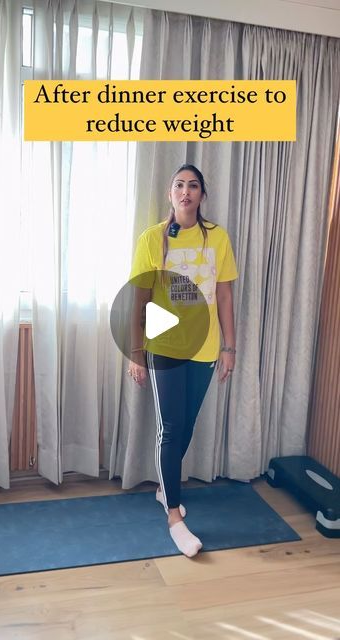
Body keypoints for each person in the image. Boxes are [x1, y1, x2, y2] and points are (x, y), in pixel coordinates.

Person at [128, 164, 238, 557]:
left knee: (186, 424)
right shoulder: (152, 239)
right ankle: (174, 516)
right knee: (171, 428)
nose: (186, 191)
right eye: (179, 185)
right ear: (170, 194)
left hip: (205, 348)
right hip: (164, 347)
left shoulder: (218, 238)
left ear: (202, 195)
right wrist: (136, 354)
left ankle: (164, 488)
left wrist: (229, 347)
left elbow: (224, 295)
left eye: (193, 186)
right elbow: (138, 302)